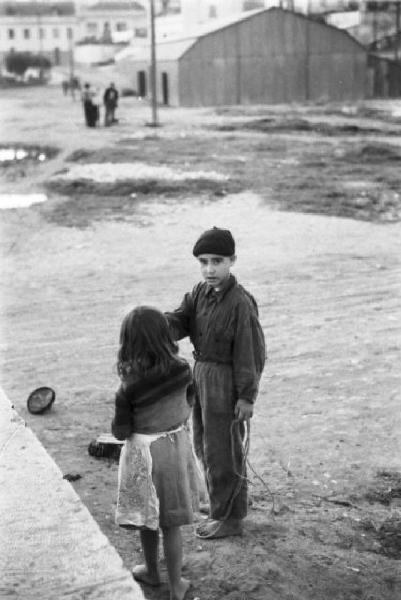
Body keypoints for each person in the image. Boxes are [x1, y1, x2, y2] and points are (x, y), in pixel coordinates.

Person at [166, 227, 266, 540]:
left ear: (232, 260)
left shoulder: (240, 303)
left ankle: (231, 518)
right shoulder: (199, 293)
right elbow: (180, 320)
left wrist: (246, 397)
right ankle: (220, 503)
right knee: (203, 444)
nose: (209, 269)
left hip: (226, 381)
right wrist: (153, 325)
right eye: (203, 261)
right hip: (202, 375)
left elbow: (251, 354)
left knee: (224, 452)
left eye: (217, 261)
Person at [111, 306, 200, 600]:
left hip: (142, 456)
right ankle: (177, 586)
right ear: (165, 335)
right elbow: (190, 402)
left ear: (129, 342)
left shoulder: (128, 387)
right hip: (174, 449)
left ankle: (151, 571)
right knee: (171, 524)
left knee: (147, 519)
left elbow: (120, 432)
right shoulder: (182, 368)